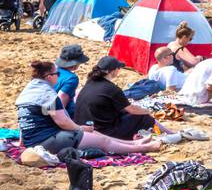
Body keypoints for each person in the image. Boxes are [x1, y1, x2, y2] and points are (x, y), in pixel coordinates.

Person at [16, 61, 163, 166]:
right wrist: (80, 128)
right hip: (47, 141)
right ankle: (143, 148)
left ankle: (133, 143)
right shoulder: (46, 94)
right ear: (48, 77)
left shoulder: (27, 92)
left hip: (35, 140)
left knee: (95, 134)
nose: (59, 77)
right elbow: (62, 122)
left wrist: (22, 142)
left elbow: (24, 119)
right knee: (102, 142)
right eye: (57, 74)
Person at [73, 56, 175, 141]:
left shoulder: (90, 83)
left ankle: (167, 132)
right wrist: (147, 111)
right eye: (118, 68)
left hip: (84, 128)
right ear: (113, 71)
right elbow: (132, 109)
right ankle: (170, 133)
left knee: (125, 112)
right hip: (104, 132)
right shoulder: (112, 88)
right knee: (143, 117)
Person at [53, 43, 89, 116]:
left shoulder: (51, 70)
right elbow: (60, 102)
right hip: (56, 114)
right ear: (75, 63)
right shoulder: (71, 78)